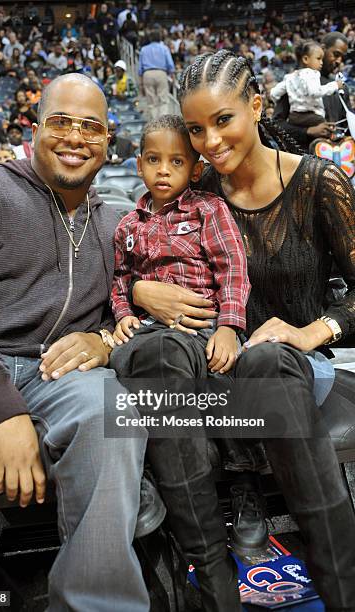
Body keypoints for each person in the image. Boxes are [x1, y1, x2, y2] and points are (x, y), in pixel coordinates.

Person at [127, 49, 355, 611]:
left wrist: (314, 330)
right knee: (163, 368)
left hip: (293, 368)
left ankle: (343, 592)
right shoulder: (188, 196)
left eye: (222, 120)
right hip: (213, 377)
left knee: (264, 361)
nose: (209, 142)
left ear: (256, 106)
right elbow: (137, 261)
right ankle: (212, 590)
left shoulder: (318, 182)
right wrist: (138, 292)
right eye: (196, 130)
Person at [0, 73, 149, 612]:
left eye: (91, 128)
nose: (75, 138)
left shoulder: (117, 223)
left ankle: (97, 603)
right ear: (34, 130)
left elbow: (134, 314)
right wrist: (0, 405)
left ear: (110, 143)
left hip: (58, 374)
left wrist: (105, 341)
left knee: (115, 412)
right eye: (60, 122)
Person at [111, 114, 250, 378]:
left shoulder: (208, 209)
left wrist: (229, 327)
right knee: (122, 356)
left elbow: (232, 268)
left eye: (177, 161)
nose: (163, 169)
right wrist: (123, 315)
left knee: (181, 357)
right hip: (146, 327)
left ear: (195, 170)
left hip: (201, 325)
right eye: (153, 159)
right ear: (139, 165)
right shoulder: (126, 225)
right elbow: (120, 280)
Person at [273, 32, 351, 147]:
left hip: (335, 158)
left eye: (341, 57)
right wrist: (308, 131)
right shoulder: (296, 80)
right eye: (336, 54)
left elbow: (347, 126)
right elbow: (276, 124)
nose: (339, 61)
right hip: (305, 157)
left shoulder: (341, 88)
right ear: (323, 49)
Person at [270, 40, 343, 129]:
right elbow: (314, 92)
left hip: (294, 117)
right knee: (327, 128)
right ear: (305, 59)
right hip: (312, 116)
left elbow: (274, 93)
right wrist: (335, 85)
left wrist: (276, 101)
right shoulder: (312, 74)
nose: (321, 62)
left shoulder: (290, 76)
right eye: (318, 59)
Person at [138, 28, 175, 119]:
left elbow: (139, 69)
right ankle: (162, 122)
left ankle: (155, 122)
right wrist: (172, 75)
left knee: (151, 102)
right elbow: (170, 64)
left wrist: (141, 84)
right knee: (163, 100)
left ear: (150, 38)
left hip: (147, 74)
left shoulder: (143, 49)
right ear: (160, 37)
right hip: (161, 73)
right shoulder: (164, 48)